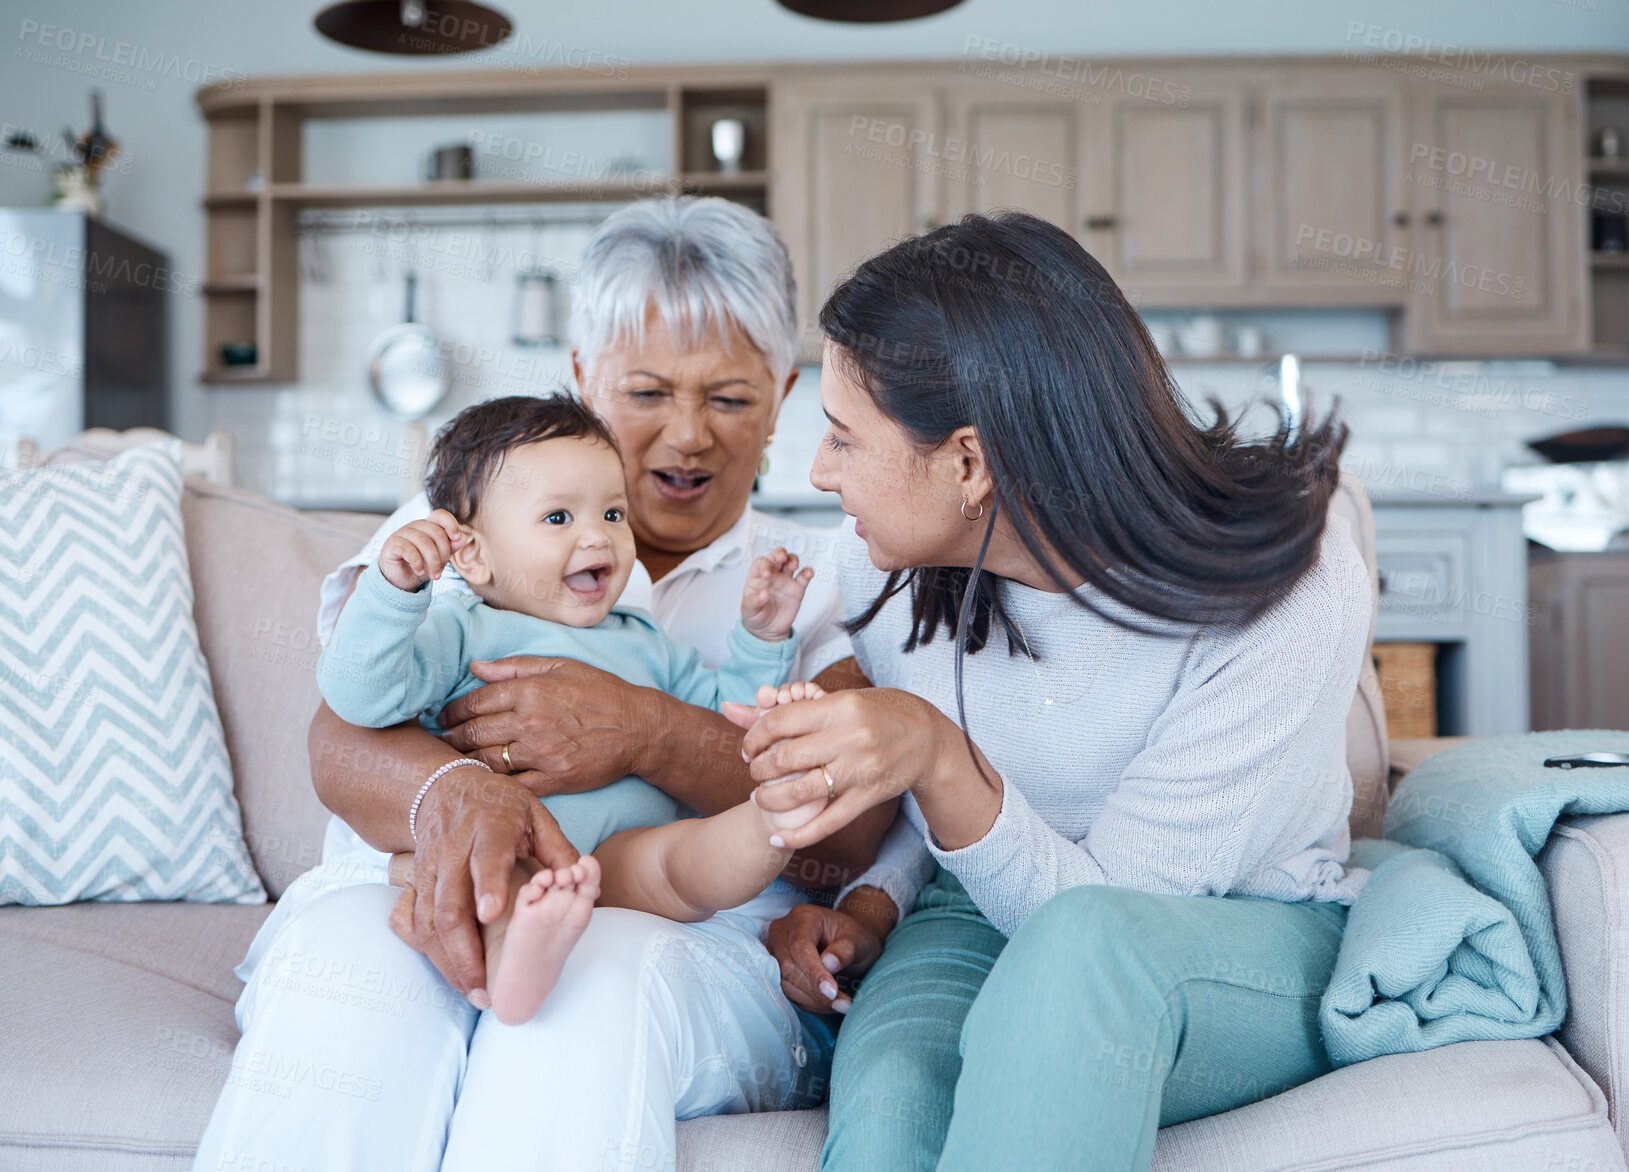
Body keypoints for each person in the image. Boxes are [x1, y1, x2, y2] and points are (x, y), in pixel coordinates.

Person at [194, 196, 907, 1172]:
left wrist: (646, 729)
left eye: (730, 399)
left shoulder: (816, 577)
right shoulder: (460, 519)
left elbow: (847, 830)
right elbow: (343, 736)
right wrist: (461, 792)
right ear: (582, 375)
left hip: (679, 926)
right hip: (435, 883)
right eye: (648, 393)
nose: (687, 435)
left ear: (783, 394)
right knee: (356, 974)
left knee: (592, 985)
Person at [746, 210, 1373, 1171]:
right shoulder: (881, 565)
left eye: (840, 439)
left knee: (1080, 956)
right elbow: (932, 817)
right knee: (891, 1110)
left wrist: (933, 751)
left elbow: (1107, 913)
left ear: (967, 463)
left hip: (1226, 929)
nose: (818, 473)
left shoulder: (1285, 585)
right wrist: (871, 904)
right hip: (974, 915)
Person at [318, 391, 828, 1025]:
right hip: (517, 848)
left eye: (614, 513)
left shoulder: (643, 640)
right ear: (472, 554)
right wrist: (395, 594)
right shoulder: (459, 630)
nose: (599, 536)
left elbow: (725, 725)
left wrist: (763, 639)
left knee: (692, 858)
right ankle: (514, 965)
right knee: (497, 872)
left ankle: (775, 817)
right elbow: (360, 697)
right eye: (558, 518)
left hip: (631, 858)